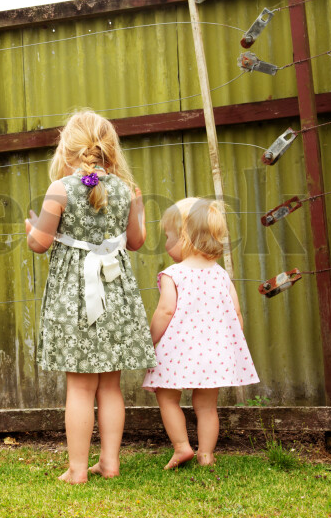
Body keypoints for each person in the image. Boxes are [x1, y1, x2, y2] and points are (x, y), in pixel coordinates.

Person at [25, 110, 156, 484]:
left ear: (67, 148)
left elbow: (40, 243)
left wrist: (32, 228)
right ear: (109, 148)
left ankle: (78, 470)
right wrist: (140, 211)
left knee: (81, 387)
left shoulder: (60, 189)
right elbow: (135, 241)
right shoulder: (126, 190)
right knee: (110, 385)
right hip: (115, 292)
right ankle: (110, 463)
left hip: (74, 296)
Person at [141, 198, 258, 469]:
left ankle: (182, 447)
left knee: (166, 395)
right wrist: (227, 346)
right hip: (213, 353)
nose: (167, 242)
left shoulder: (173, 274)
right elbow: (237, 315)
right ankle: (206, 454)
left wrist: (151, 339)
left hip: (177, 352)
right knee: (206, 406)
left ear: (185, 237)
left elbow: (165, 312)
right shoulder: (221, 276)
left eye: (169, 236)